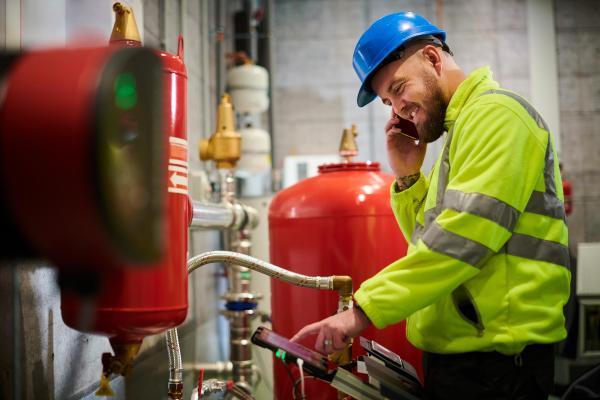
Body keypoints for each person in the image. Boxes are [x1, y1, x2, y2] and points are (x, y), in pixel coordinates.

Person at [292, 11, 571, 399]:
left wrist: (360, 312)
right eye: (389, 101)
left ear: (433, 59)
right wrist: (407, 177)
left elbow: (461, 240)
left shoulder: (497, 116)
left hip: (498, 367)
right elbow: (429, 240)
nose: (398, 109)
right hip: (465, 362)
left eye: (399, 88)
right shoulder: (459, 133)